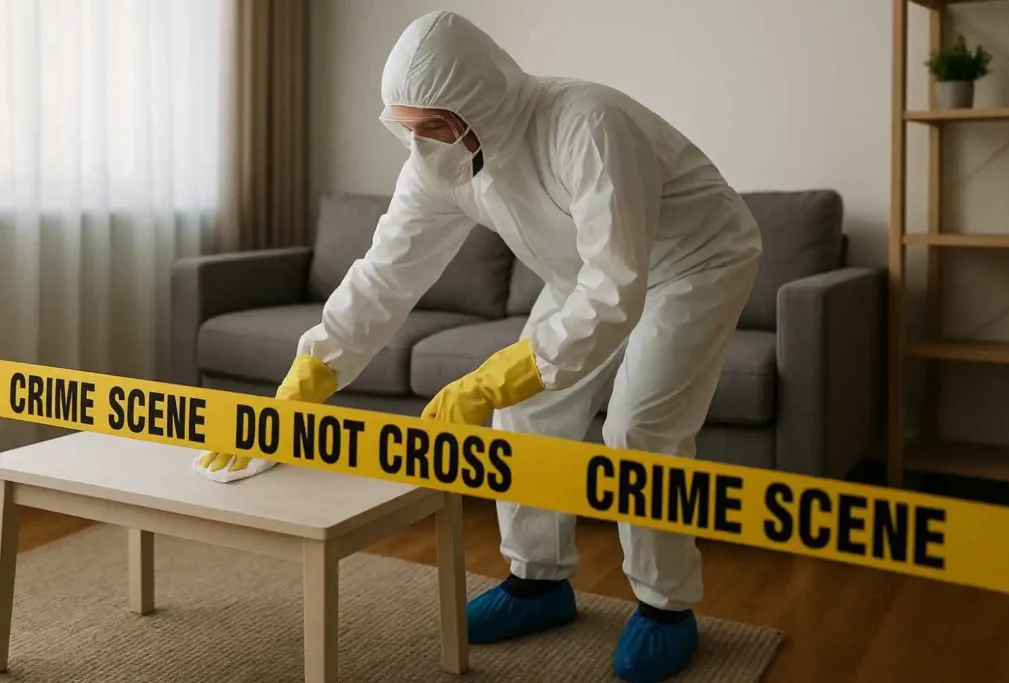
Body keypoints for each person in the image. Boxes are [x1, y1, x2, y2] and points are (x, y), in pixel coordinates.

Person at [194, 10, 761, 682]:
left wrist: (493, 375)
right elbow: (385, 272)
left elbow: (617, 287)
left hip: (695, 261)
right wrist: (314, 366)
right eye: (409, 127)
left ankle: (666, 607)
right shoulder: (440, 162)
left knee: (640, 425)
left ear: (479, 102)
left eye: (433, 124)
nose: (422, 142)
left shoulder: (587, 124)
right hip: (584, 273)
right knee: (524, 415)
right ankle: (538, 581)